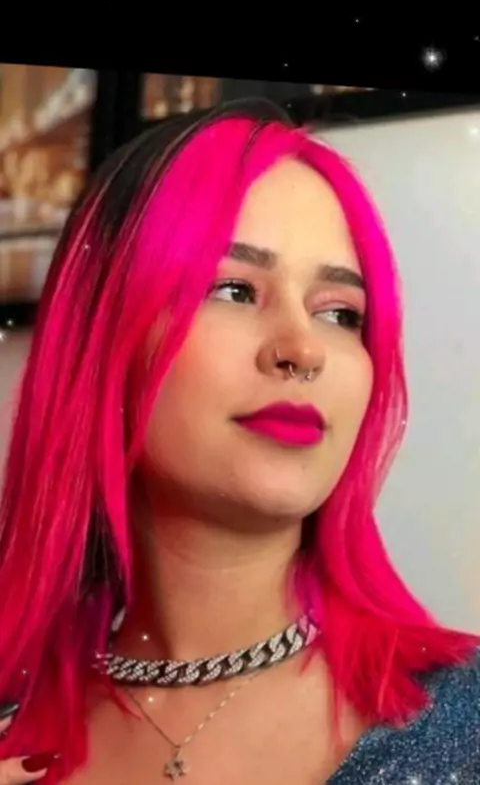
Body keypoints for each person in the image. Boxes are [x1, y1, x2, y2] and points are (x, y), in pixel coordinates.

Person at [0, 98, 478, 785]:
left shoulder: (465, 724)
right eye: (233, 290)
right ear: (106, 341)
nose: (302, 349)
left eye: (340, 313)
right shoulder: (14, 733)